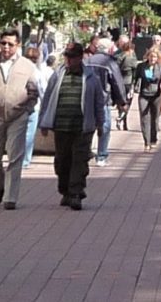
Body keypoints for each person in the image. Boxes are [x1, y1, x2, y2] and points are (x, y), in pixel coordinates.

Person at [38, 42, 106, 210]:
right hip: (61, 125)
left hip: (83, 126)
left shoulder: (91, 77)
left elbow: (99, 101)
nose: (69, 60)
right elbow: (47, 98)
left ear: (80, 57)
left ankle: (76, 193)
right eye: (67, 56)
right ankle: (66, 190)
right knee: (62, 161)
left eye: (73, 57)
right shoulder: (57, 75)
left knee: (79, 160)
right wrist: (43, 122)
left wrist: (100, 123)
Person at [0, 29, 39, 209]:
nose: (6, 47)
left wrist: (27, 108)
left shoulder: (27, 66)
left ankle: (10, 198)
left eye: (10, 44)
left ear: (17, 45)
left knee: (14, 156)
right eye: (3, 43)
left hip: (17, 117)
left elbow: (34, 91)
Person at [85, 37, 128, 167]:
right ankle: (101, 155)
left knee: (88, 126)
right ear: (109, 49)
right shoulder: (109, 62)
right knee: (104, 127)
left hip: (87, 99)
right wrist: (122, 101)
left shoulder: (87, 61)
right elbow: (117, 82)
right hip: (103, 99)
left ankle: (86, 152)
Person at [23, 45, 53, 169]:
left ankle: (18, 158)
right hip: (33, 108)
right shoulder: (37, 73)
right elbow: (43, 92)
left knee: (17, 134)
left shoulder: (18, 70)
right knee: (28, 135)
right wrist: (45, 108)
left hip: (18, 107)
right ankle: (25, 160)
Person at [133, 47, 161, 151]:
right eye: (151, 56)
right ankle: (146, 143)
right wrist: (133, 88)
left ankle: (153, 139)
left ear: (157, 58)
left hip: (156, 95)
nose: (153, 59)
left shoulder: (160, 67)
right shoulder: (141, 66)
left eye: (155, 57)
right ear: (148, 56)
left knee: (155, 118)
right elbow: (136, 78)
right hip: (144, 94)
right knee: (144, 118)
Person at [114, 35, 138, 131]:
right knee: (127, 102)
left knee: (122, 101)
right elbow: (134, 69)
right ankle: (122, 118)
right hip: (128, 81)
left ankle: (122, 119)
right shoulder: (130, 55)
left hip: (119, 81)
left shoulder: (118, 55)